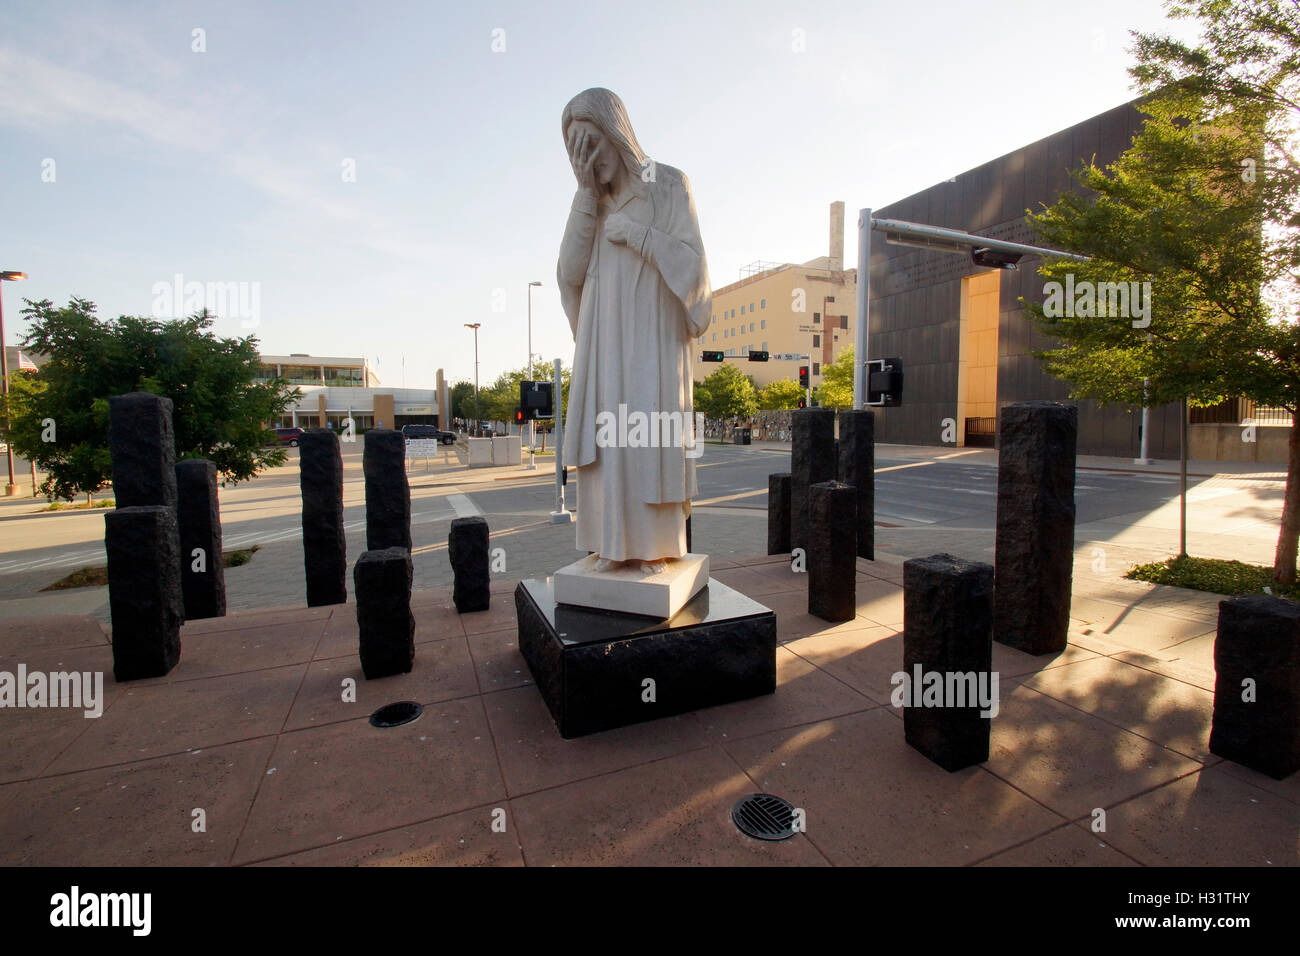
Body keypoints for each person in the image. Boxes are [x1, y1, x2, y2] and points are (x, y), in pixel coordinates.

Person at [557, 88, 711, 572]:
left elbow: (695, 270)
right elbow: (568, 274)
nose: (585, 161)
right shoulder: (591, 202)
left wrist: (640, 236)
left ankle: (654, 547)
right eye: (574, 151)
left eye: (591, 145)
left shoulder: (666, 183)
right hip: (607, 342)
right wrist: (585, 196)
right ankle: (611, 544)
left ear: (615, 132)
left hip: (654, 339)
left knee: (650, 436)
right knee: (610, 443)